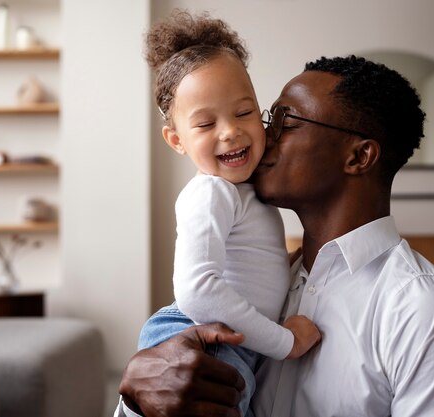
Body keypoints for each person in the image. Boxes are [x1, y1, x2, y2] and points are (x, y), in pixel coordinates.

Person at [117, 54, 434, 417]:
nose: (259, 136)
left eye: (286, 122)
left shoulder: (427, 313)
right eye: (268, 118)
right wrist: (137, 403)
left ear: (358, 156)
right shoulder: (261, 285)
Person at [132, 10, 321, 417]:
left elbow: (247, 266)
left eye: (243, 112)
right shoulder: (212, 191)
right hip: (201, 335)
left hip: (234, 342)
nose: (230, 131)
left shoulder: (246, 193)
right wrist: (284, 342)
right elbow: (198, 290)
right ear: (176, 140)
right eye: (205, 123)